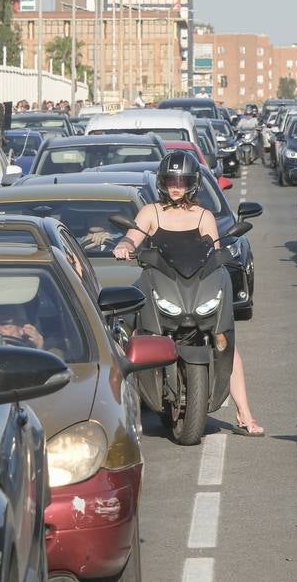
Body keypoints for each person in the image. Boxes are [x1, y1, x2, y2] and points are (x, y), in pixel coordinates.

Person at [112, 151, 264, 436]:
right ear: (162, 182)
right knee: (131, 336)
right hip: (160, 283)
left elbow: (214, 250)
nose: (176, 186)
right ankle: (122, 412)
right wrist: (125, 245)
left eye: (182, 180)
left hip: (194, 287)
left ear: (192, 183)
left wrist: (224, 255)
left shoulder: (204, 216)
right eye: (171, 180)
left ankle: (245, 414)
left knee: (227, 344)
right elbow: (132, 236)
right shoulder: (151, 212)